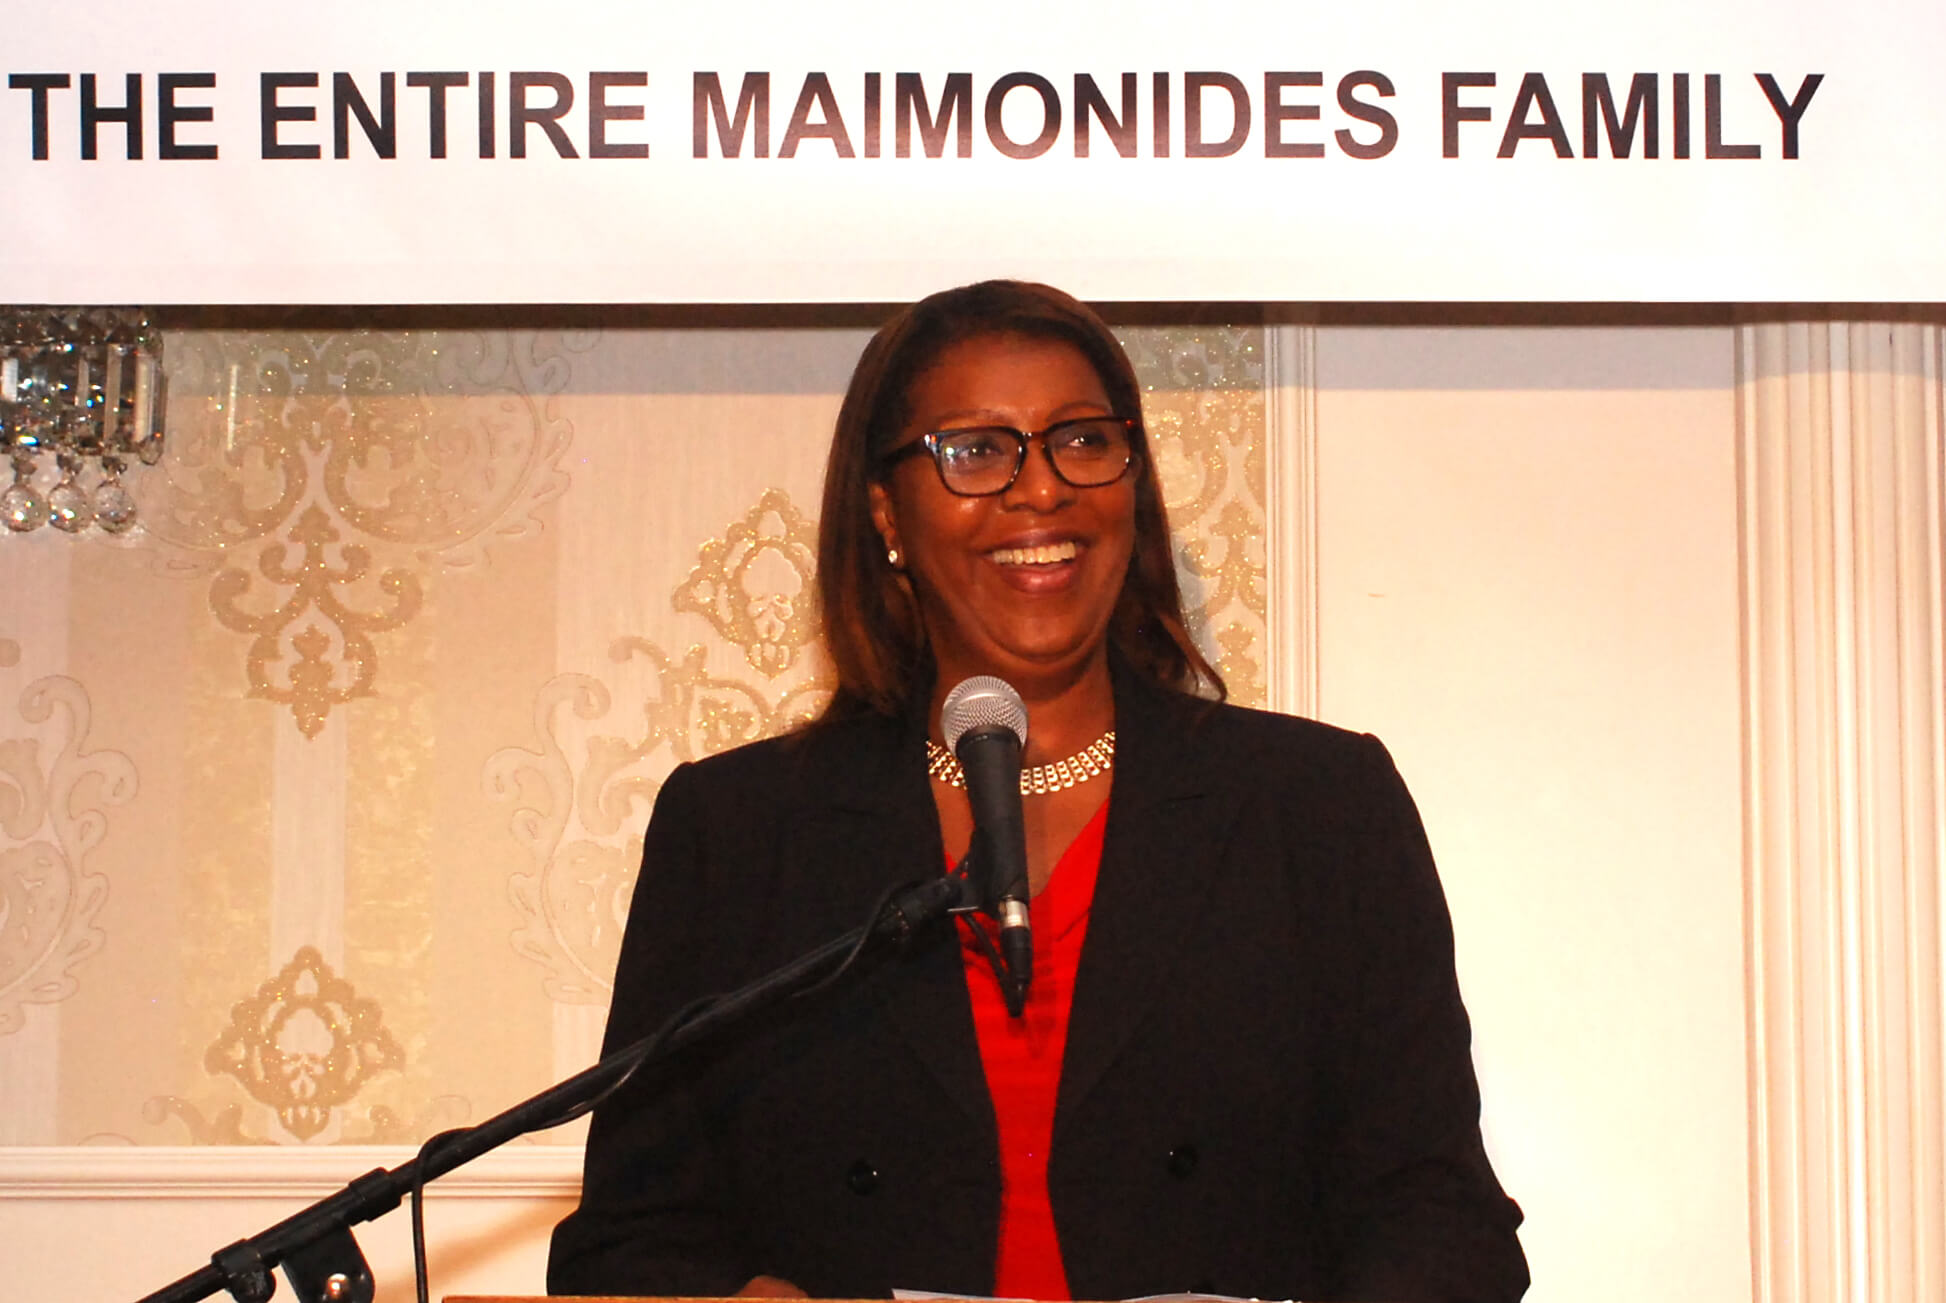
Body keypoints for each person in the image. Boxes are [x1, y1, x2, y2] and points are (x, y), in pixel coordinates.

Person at [547, 281, 1529, 1302]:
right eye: (976, 450)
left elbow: (1439, 1219)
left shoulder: (1319, 807)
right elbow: (625, 1244)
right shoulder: (739, 831)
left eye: (1081, 441)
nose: (1041, 489)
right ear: (885, 512)